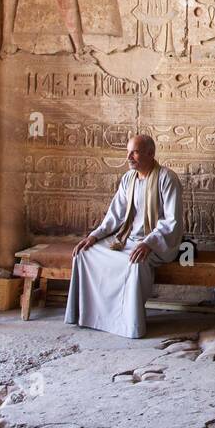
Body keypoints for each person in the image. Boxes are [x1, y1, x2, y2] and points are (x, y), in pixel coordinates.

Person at [64, 134, 183, 338]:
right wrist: (94, 236)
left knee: (135, 263)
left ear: (151, 153)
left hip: (158, 243)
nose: (129, 157)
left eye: (134, 152)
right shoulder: (128, 179)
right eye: (128, 152)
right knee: (84, 254)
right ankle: (94, 316)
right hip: (127, 238)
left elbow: (172, 221)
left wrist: (148, 243)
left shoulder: (167, 178)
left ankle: (129, 324)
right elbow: (115, 215)